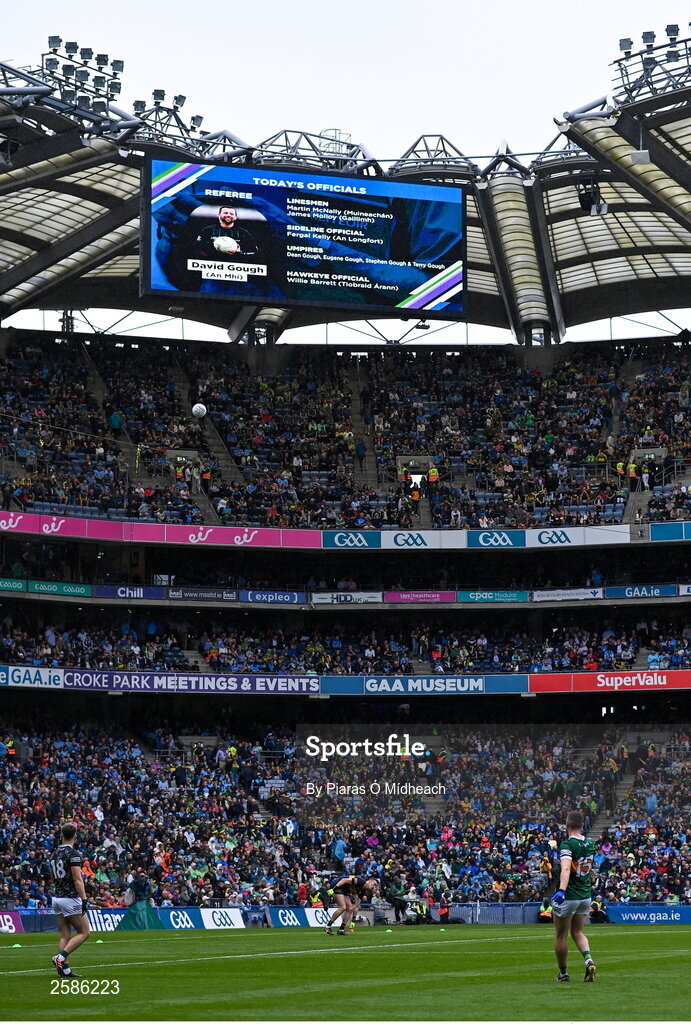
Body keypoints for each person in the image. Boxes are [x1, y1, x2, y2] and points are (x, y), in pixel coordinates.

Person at [552, 810, 597, 982]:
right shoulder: (590, 843)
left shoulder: (567, 845)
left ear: (567, 825)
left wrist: (561, 890)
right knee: (578, 931)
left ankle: (563, 973)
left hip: (569, 895)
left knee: (561, 934)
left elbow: (565, 868)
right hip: (585, 895)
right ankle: (589, 960)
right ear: (582, 825)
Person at [49, 822, 90, 978]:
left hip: (57, 898)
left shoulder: (53, 854)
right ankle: (60, 958)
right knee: (84, 932)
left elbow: (52, 877)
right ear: (75, 836)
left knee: (65, 935)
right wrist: (84, 899)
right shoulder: (73, 854)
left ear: (61, 835)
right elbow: (77, 879)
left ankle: (64, 970)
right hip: (70, 898)